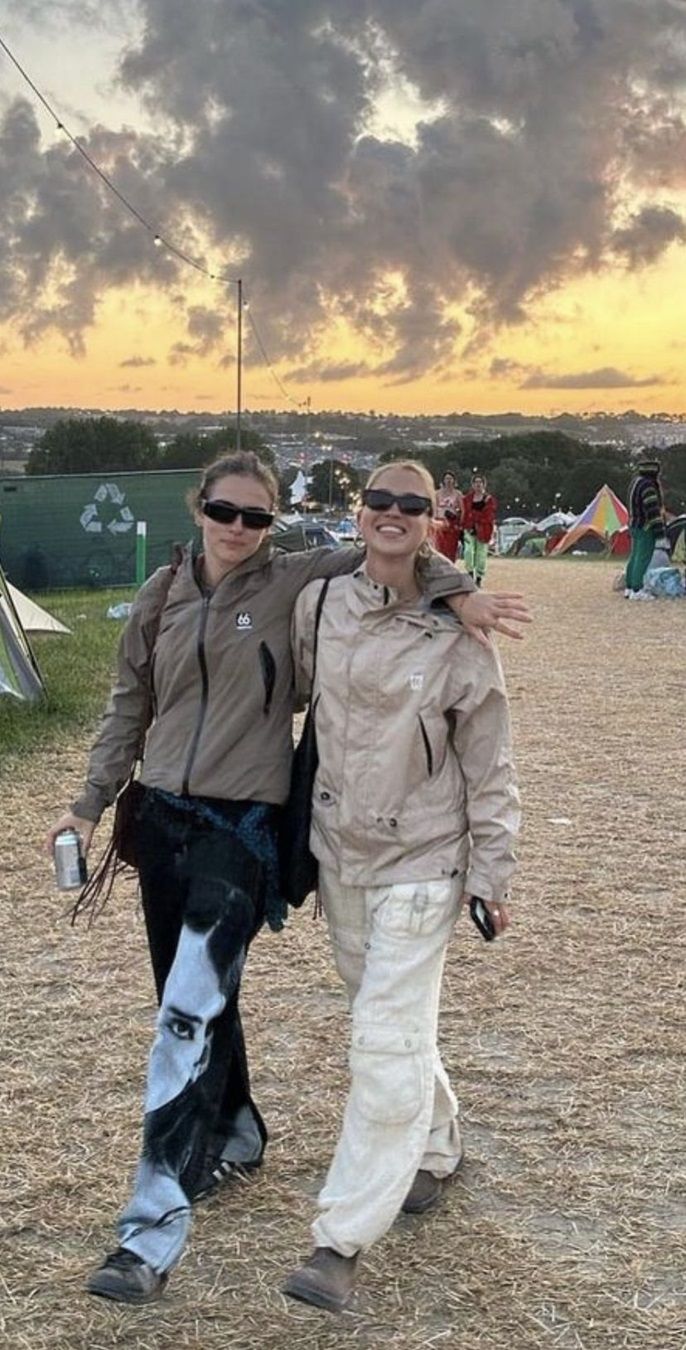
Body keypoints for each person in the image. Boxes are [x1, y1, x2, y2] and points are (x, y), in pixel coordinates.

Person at [44, 451, 530, 1306]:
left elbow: (401, 556)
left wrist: (461, 594)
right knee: (202, 1003)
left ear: (274, 524)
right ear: (198, 509)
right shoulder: (189, 597)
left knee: (203, 1016)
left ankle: (174, 1237)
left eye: (256, 517)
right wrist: (88, 807)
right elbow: (129, 704)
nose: (238, 529)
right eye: (223, 512)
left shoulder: (297, 583)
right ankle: (250, 1129)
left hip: (257, 831)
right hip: (184, 823)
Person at [284, 460, 519, 1313]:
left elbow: (490, 763)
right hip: (339, 852)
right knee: (387, 1022)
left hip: (423, 859)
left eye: (411, 505)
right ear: (359, 513)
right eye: (378, 500)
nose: (392, 513)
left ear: (431, 522)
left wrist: (492, 870)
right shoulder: (321, 604)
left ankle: (340, 1239)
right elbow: (292, 691)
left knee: (383, 1041)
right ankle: (438, 1145)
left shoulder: (462, 635)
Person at [625, 457, 666, 600]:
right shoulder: (648, 486)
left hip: (634, 524)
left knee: (634, 556)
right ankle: (637, 589)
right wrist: (660, 532)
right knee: (643, 558)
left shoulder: (636, 482)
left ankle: (629, 587)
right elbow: (652, 510)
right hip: (645, 527)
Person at [461, 473, 498, 586]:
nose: (478, 484)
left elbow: (489, 515)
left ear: (484, 484)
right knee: (468, 551)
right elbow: (465, 513)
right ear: (472, 484)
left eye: (480, 482)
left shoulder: (489, 500)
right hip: (469, 529)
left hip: (483, 530)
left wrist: (477, 522)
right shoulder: (467, 499)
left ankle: (479, 577)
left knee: (481, 554)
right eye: (476, 482)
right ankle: (470, 572)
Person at [433, 470, 463, 562]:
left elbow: (463, 509)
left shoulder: (458, 494)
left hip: (452, 523)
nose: (448, 481)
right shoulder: (437, 493)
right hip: (439, 521)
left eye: (450, 478)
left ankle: (450, 563)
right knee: (439, 545)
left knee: (451, 547)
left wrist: (460, 522)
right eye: (446, 478)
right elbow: (433, 507)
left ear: (454, 480)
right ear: (443, 480)